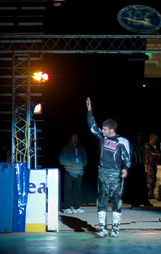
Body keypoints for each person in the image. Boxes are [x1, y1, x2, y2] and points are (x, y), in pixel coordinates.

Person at [86, 97, 130, 238]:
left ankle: (115, 228)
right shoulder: (102, 138)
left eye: (104, 129)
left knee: (116, 201)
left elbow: (127, 157)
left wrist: (125, 169)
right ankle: (102, 228)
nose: (102, 130)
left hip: (116, 175)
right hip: (103, 173)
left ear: (111, 130)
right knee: (102, 201)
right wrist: (89, 110)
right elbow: (92, 126)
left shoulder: (122, 141)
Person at [59, 133, 87, 213]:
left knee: (77, 191)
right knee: (68, 190)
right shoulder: (66, 148)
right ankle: (67, 207)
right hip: (70, 171)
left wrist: (83, 164)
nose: (75, 139)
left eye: (76, 138)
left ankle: (76, 207)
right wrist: (70, 164)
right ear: (71, 139)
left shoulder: (81, 148)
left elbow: (84, 157)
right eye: (73, 138)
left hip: (79, 172)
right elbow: (61, 160)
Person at [124, 131, 152, 208]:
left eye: (141, 136)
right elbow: (130, 156)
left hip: (141, 166)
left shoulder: (141, 146)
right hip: (135, 167)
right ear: (135, 137)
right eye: (139, 136)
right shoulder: (133, 146)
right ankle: (135, 201)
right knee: (135, 185)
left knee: (143, 185)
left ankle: (145, 200)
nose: (140, 138)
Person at [144, 133, 160, 199]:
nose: (155, 142)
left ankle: (151, 193)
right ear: (151, 139)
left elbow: (158, 154)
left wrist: (156, 155)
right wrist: (156, 155)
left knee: (154, 179)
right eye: (154, 140)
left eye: (155, 140)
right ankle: (147, 194)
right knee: (150, 180)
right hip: (149, 165)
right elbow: (150, 155)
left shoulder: (154, 146)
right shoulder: (147, 146)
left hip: (153, 164)